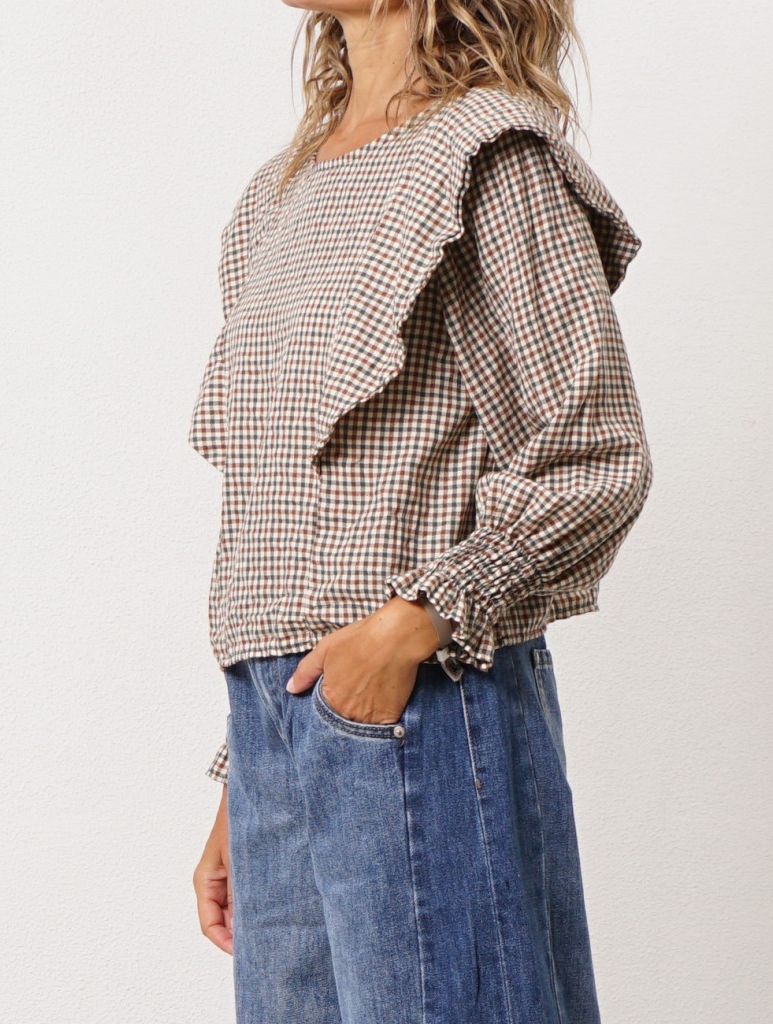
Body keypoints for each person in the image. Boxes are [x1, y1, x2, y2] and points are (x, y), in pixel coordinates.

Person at [189, 1, 653, 1020]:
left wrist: (411, 624)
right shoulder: (277, 193)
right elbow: (280, 505)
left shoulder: (489, 153)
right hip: (278, 728)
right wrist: (244, 773)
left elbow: (593, 453)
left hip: (420, 704)